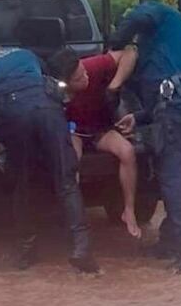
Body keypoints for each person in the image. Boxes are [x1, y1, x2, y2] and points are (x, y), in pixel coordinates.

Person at [110, 0, 181, 273]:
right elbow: (154, 99)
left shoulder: (161, 15)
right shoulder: (151, 52)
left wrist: (114, 42)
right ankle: (171, 240)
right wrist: (138, 118)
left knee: (172, 172)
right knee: (171, 170)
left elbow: (140, 17)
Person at [0, 46, 99, 274]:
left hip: (13, 114)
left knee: (22, 184)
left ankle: (27, 250)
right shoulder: (25, 54)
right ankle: (81, 248)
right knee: (67, 181)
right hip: (47, 109)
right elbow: (51, 81)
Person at [47, 46, 142, 238]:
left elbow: (130, 52)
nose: (85, 78)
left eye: (83, 71)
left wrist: (114, 85)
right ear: (65, 83)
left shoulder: (92, 66)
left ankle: (129, 210)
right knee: (71, 162)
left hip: (100, 128)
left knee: (127, 152)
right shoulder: (53, 92)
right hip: (75, 131)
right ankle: (74, 218)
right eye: (78, 79)